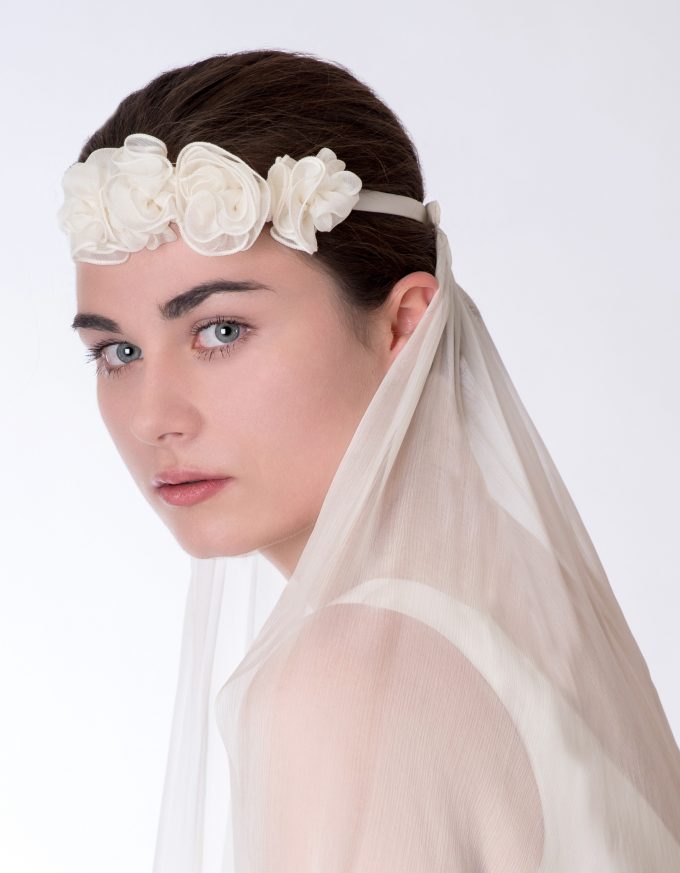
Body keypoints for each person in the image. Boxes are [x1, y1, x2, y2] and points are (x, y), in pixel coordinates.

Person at [57, 49, 680, 872]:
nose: (152, 418)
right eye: (118, 351)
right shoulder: (515, 597)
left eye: (221, 330)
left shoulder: (347, 673)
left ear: (403, 325)